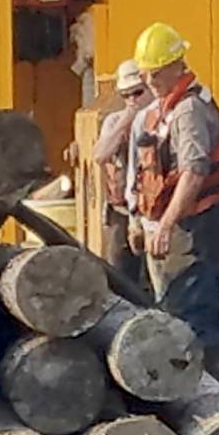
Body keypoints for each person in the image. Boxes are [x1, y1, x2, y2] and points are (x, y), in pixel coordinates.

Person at [127, 22, 219, 400]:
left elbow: (193, 171)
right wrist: (139, 219)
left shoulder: (188, 110)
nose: (150, 80)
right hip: (188, 223)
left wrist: (166, 224)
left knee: (195, 313)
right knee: (203, 308)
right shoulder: (163, 110)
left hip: (198, 224)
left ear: (177, 65)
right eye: (145, 73)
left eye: (156, 73)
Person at [92, 58, 152, 284]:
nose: (132, 100)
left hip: (155, 212)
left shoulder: (162, 119)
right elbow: (100, 155)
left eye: (137, 93)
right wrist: (128, 118)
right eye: (126, 95)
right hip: (123, 214)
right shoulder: (115, 120)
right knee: (121, 280)